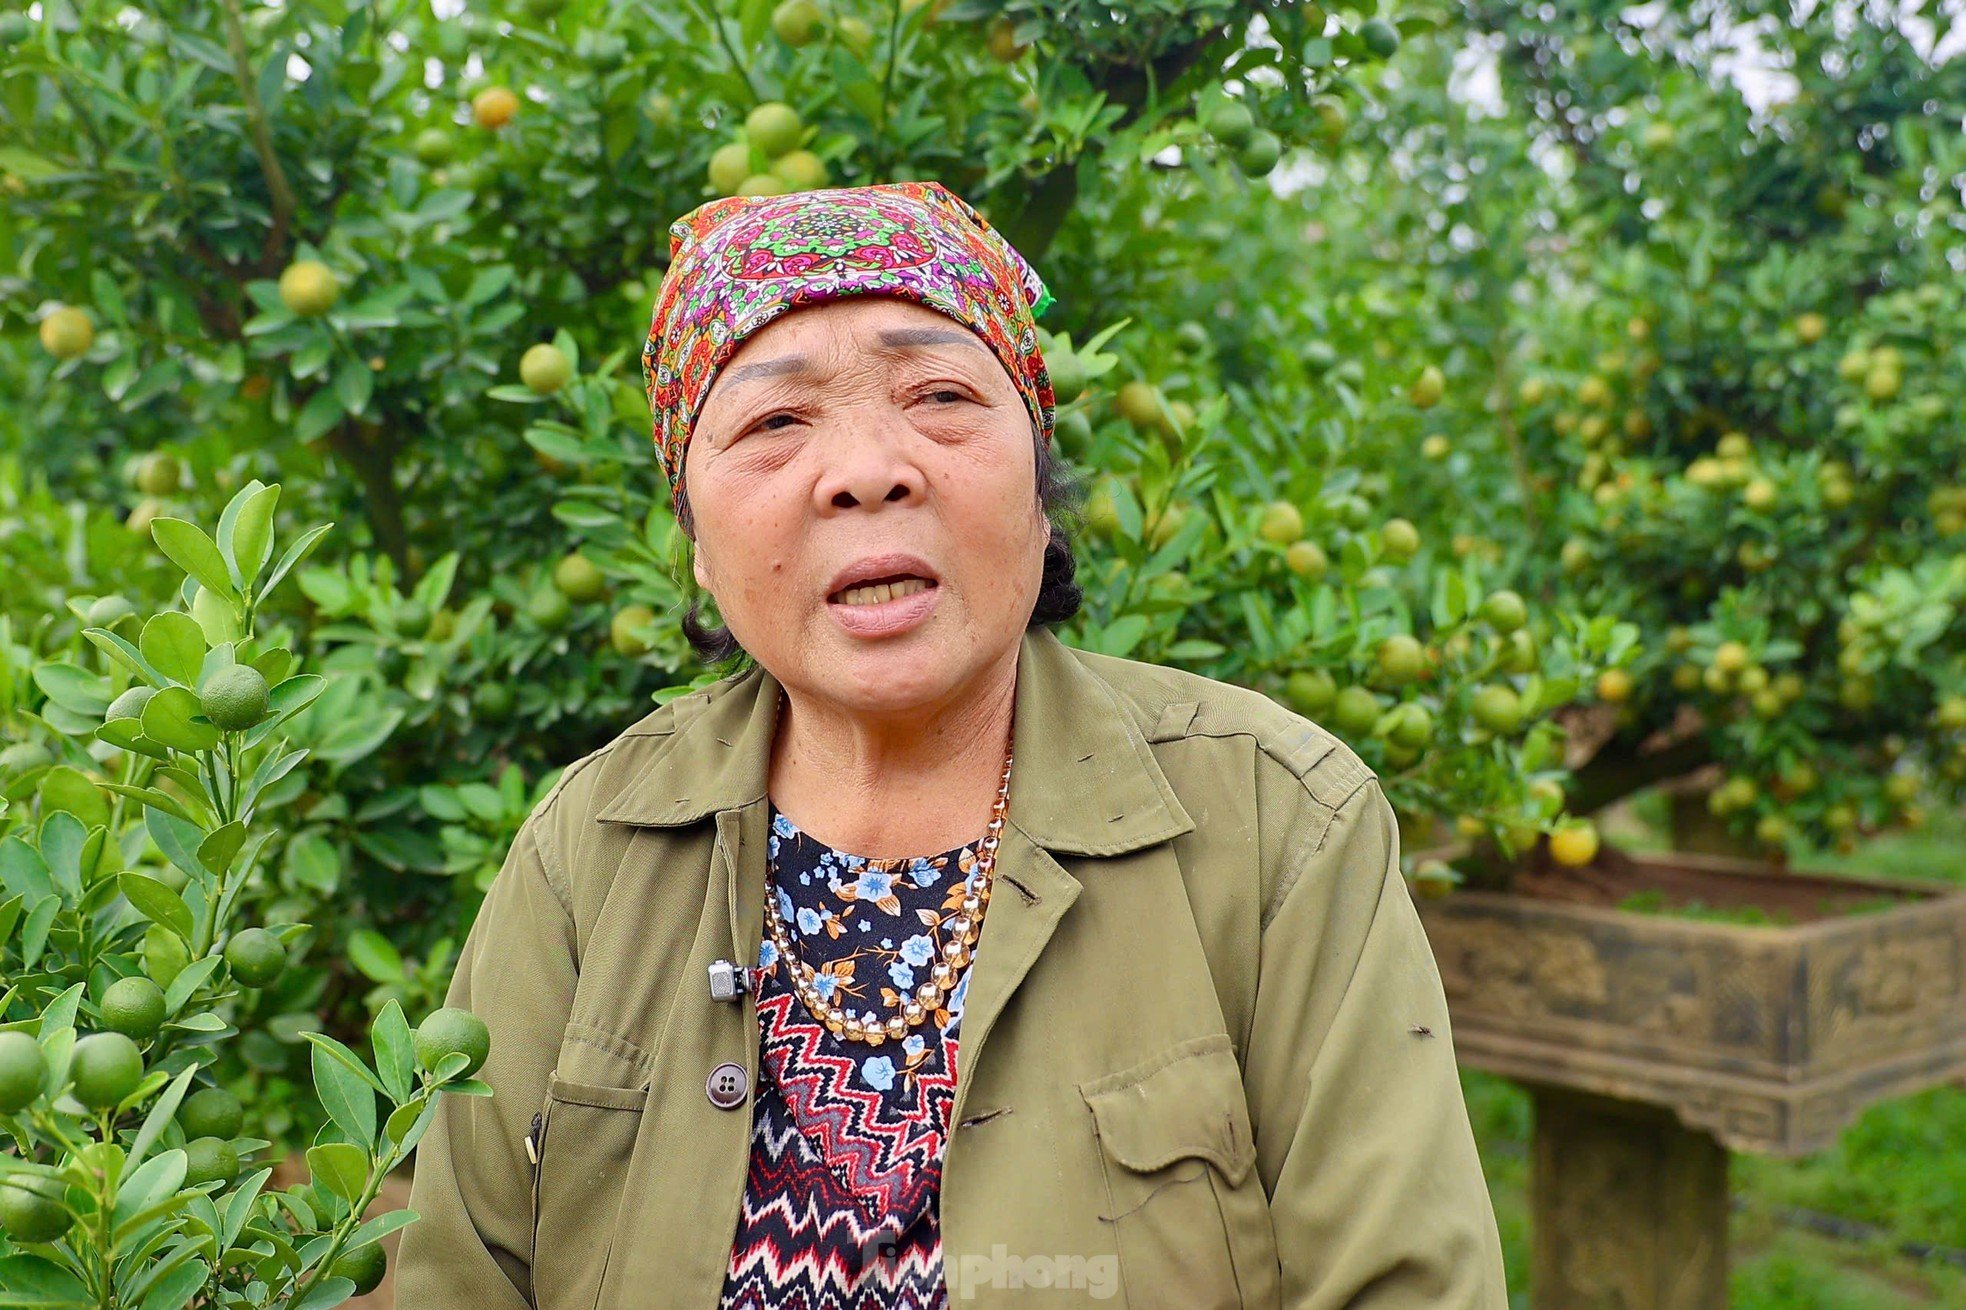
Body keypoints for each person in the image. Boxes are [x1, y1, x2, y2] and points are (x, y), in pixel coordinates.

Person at [396, 180, 1506, 1309]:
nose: (867, 467)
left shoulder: (1278, 820)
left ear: (1039, 486)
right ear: (693, 538)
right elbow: (460, 1275)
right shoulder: (591, 847)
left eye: (937, 395)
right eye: (775, 422)